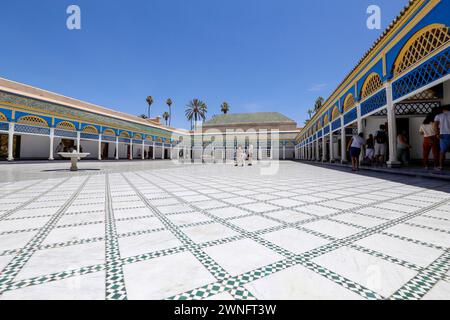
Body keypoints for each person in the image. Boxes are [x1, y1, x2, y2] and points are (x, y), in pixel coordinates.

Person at [434, 105, 450, 170]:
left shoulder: (439, 116)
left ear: (443, 109)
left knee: (442, 152)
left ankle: (441, 167)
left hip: (443, 135)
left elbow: (435, 126)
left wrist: (437, 134)